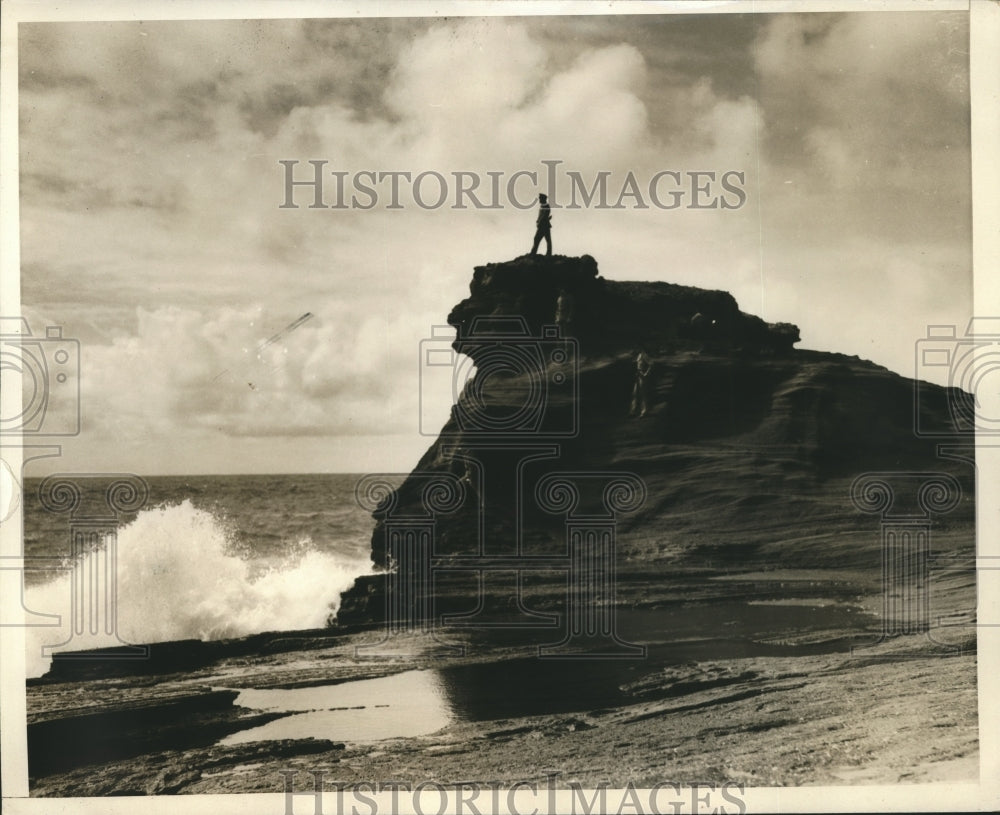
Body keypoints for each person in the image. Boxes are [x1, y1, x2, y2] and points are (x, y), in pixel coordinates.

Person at [629, 348, 653, 418]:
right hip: (637, 375)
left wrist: (646, 374)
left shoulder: (644, 355)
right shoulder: (638, 355)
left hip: (642, 376)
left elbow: (651, 364)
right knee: (634, 394)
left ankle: (644, 412)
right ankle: (632, 412)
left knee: (643, 394)